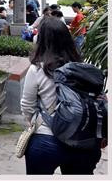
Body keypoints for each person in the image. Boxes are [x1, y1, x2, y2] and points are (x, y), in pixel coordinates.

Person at [20, 17, 102, 174]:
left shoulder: (37, 68)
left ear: (41, 39)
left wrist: (35, 123)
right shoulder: (83, 67)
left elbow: (27, 105)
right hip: (82, 140)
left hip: (45, 139)